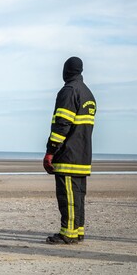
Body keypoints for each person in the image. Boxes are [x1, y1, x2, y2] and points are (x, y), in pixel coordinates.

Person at [43, 56, 96, 244]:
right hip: (82, 154)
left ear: (67, 71)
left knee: (68, 197)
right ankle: (78, 231)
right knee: (78, 196)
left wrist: (51, 151)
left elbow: (62, 125)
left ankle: (68, 234)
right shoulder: (88, 94)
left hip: (68, 155)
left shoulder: (69, 91)